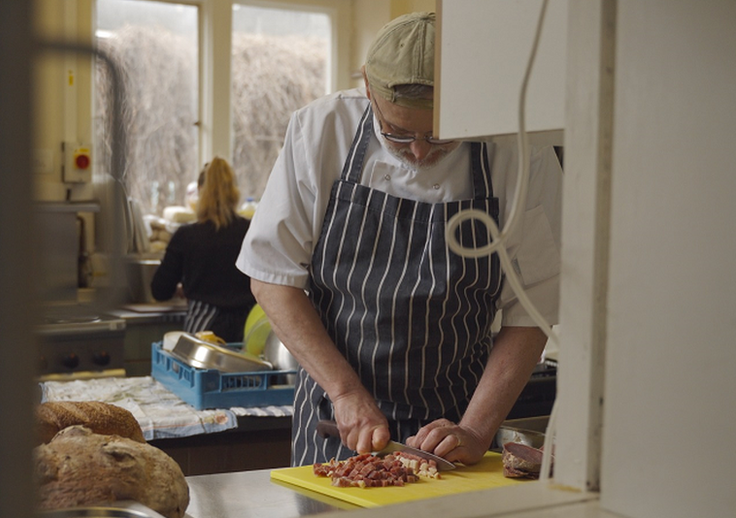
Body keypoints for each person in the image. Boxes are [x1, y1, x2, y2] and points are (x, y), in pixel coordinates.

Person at [235, 12, 562, 467]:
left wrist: (475, 428)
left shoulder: (518, 150)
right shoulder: (321, 130)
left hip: (458, 427)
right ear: (369, 89)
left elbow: (534, 307)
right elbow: (272, 277)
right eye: (399, 133)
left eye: (441, 136)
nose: (420, 152)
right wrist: (344, 390)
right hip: (336, 418)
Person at [151, 157, 256, 343]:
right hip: (249, 328)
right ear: (234, 192)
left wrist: (186, 286)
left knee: (200, 372)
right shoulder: (252, 232)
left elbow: (160, 290)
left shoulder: (186, 236)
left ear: (200, 192)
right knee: (246, 371)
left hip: (204, 331)